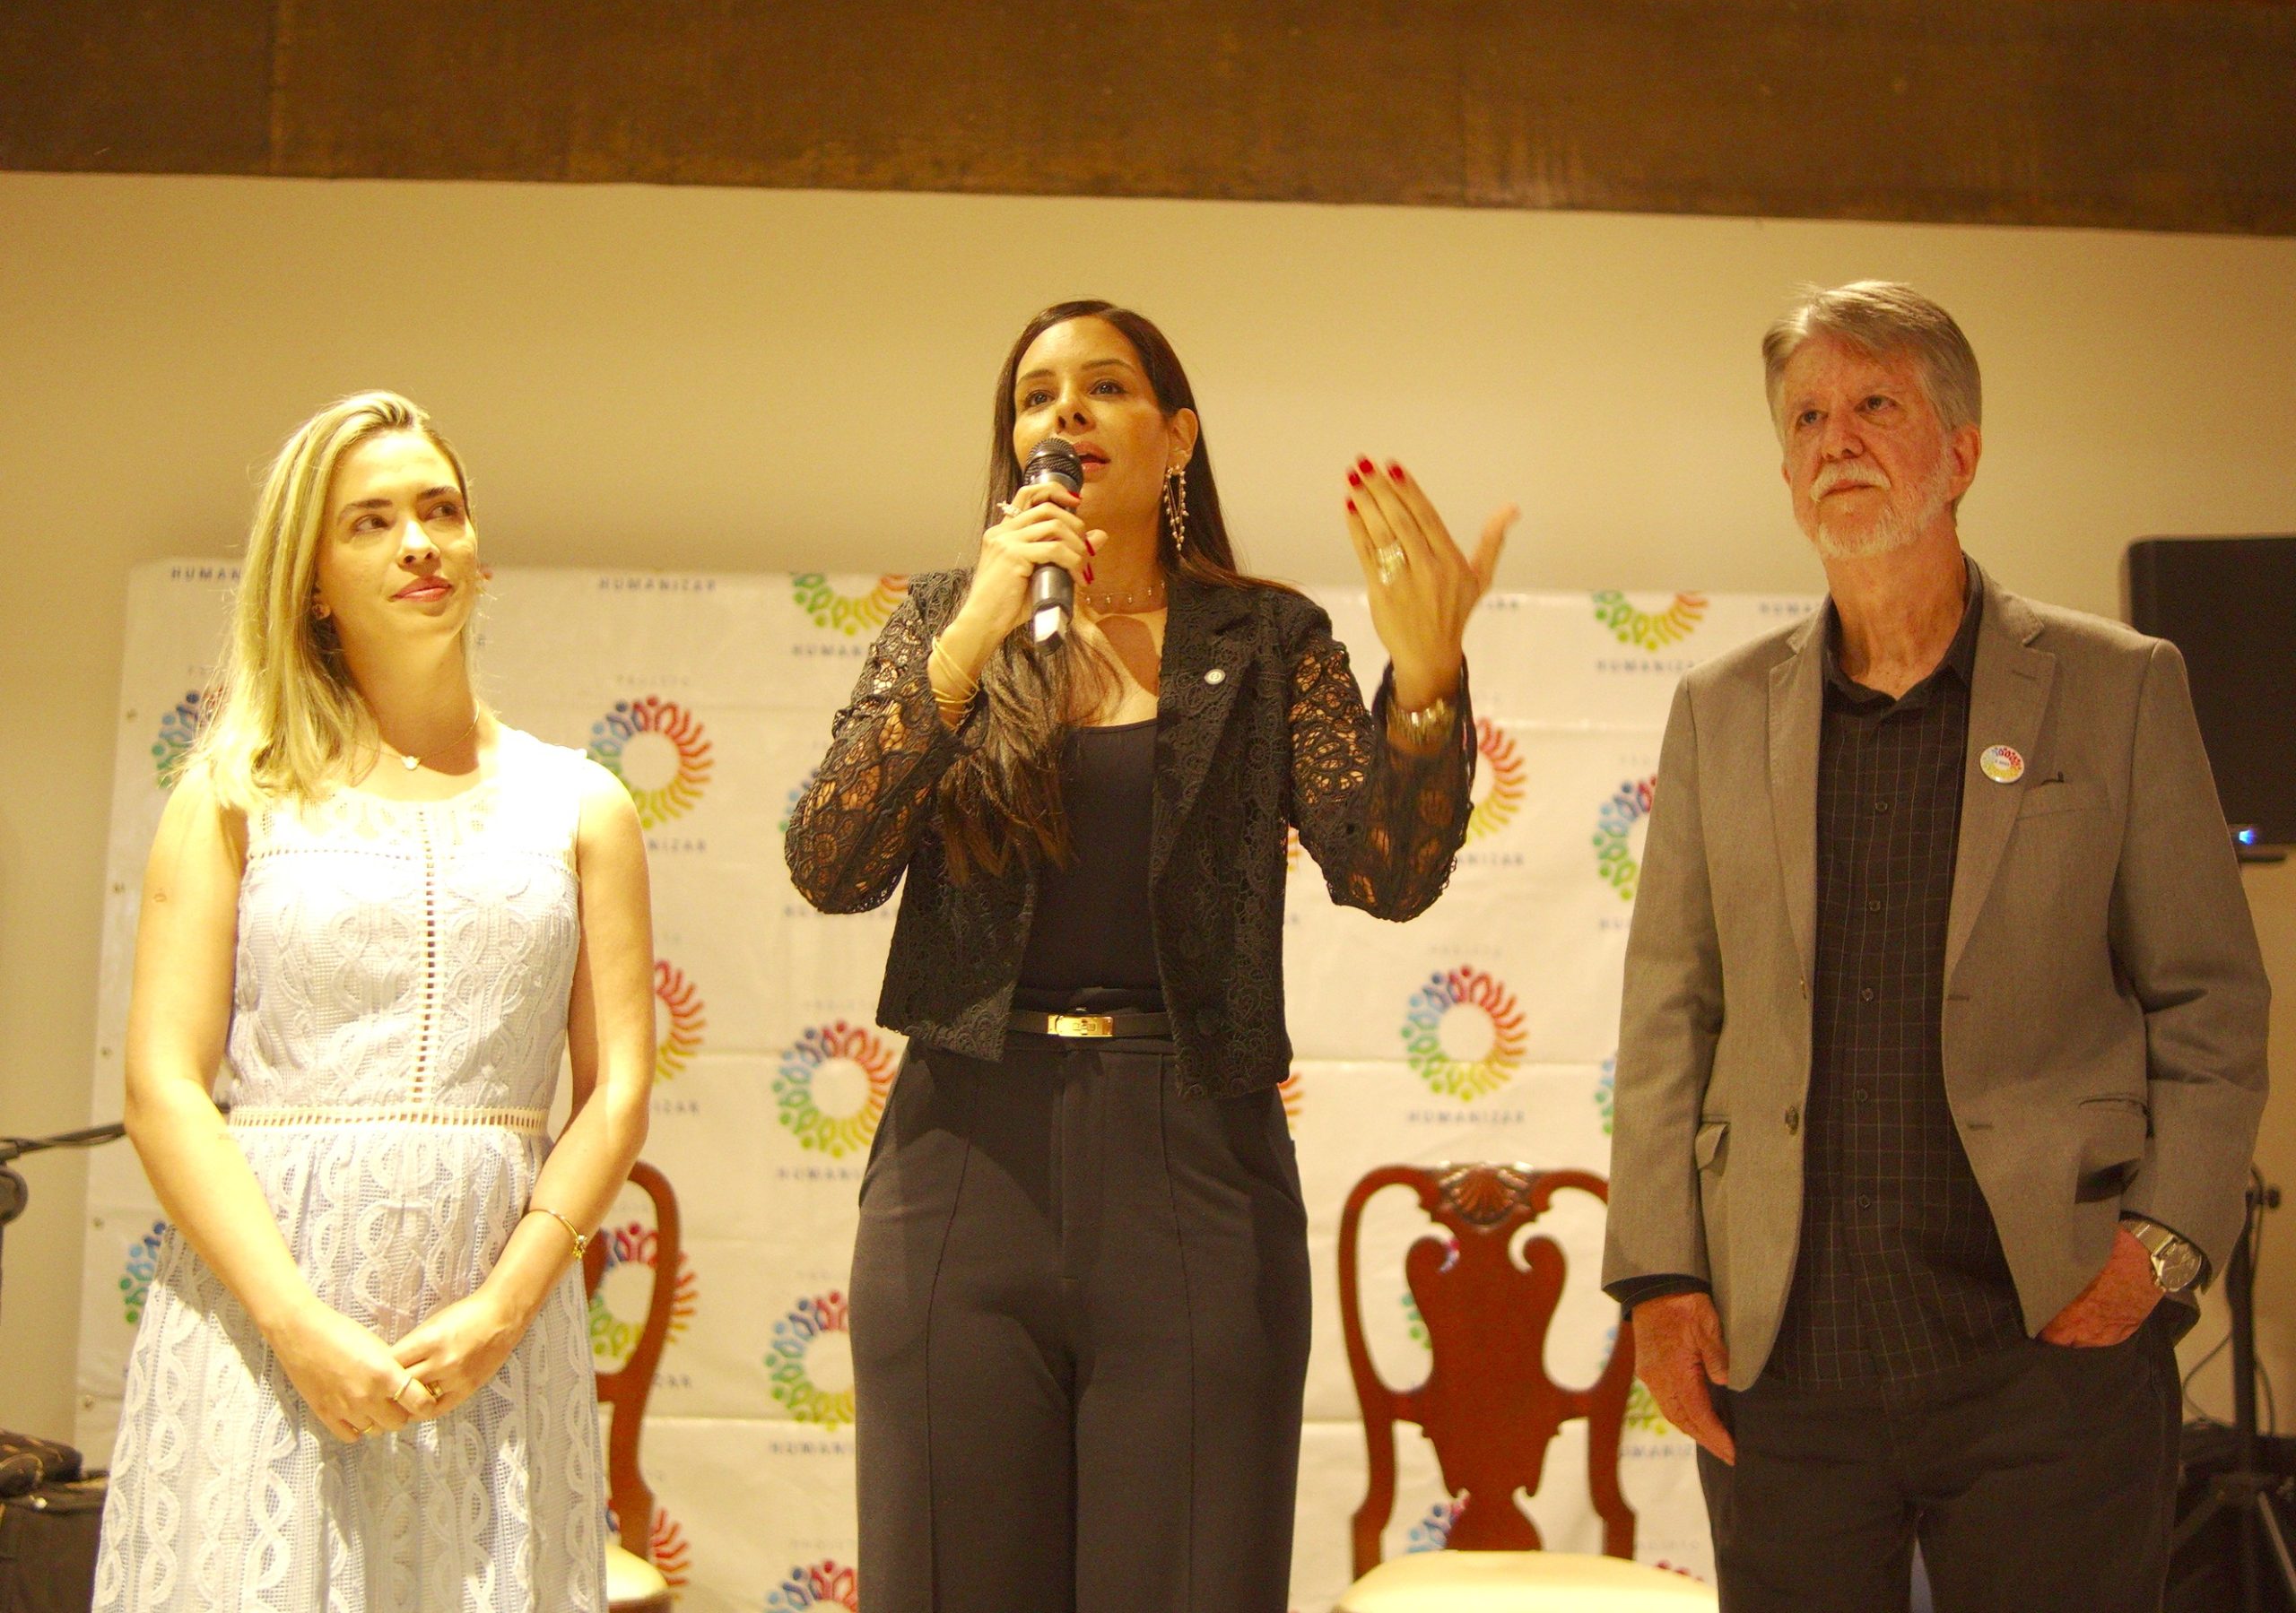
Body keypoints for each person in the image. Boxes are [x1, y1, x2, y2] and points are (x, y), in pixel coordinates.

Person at [785, 299, 1514, 1613]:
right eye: (1035, 396)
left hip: (1196, 1172)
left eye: (1104, 386)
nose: (1063, 412)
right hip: (964, 1165)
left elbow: (1387, 873)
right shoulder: (951, 623)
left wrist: (1425, 685)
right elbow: (830, 863)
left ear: (1176, 437)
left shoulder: (1266, 640)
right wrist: (969, 639)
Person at [1602, 282, 2271, 1610]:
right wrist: (1661, 1279)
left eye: (1875, 404)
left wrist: (2156, 1253)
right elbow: (1671, 1006)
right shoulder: (1719, 710)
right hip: (1783, 1359)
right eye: (1806, 417)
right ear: (1785, 471)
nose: (1835, 439)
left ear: (1961, 453)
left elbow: (2211, 1002)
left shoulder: (2120, 685)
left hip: (2050, 1344)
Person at [94, 392, 656, 1612]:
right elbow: (162, 1087)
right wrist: (297, 1325)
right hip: (260, 1329)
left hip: (493, 1344)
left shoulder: (582, 804)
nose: (418, 543)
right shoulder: (232, 794)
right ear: (311, 580)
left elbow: (616, 1093)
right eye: (372, 521)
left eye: (440, 510)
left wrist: (504, 1309)